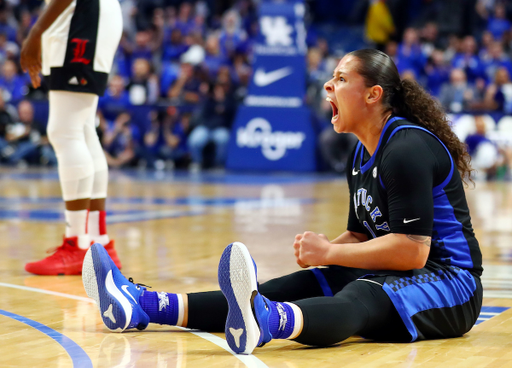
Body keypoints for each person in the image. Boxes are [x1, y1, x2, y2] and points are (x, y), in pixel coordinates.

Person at [82, 49, 483, 355]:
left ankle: (267, 322)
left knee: (361, 297)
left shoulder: (408, 147)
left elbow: (412, 252)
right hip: (398, 270)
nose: (328, 86)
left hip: (452, 283)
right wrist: (327, 251)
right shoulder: (360, 154)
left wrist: (329, 250)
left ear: (373, 95)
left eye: (341, 79)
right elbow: (363, 235)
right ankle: (146, 305)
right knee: (281, 287)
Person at [21, 0, 123, 275]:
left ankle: (77, 245)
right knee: (83, 129)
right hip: (84, 15)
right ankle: (96, 241)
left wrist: (37, 31)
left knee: (65, 130)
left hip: (81, 14)